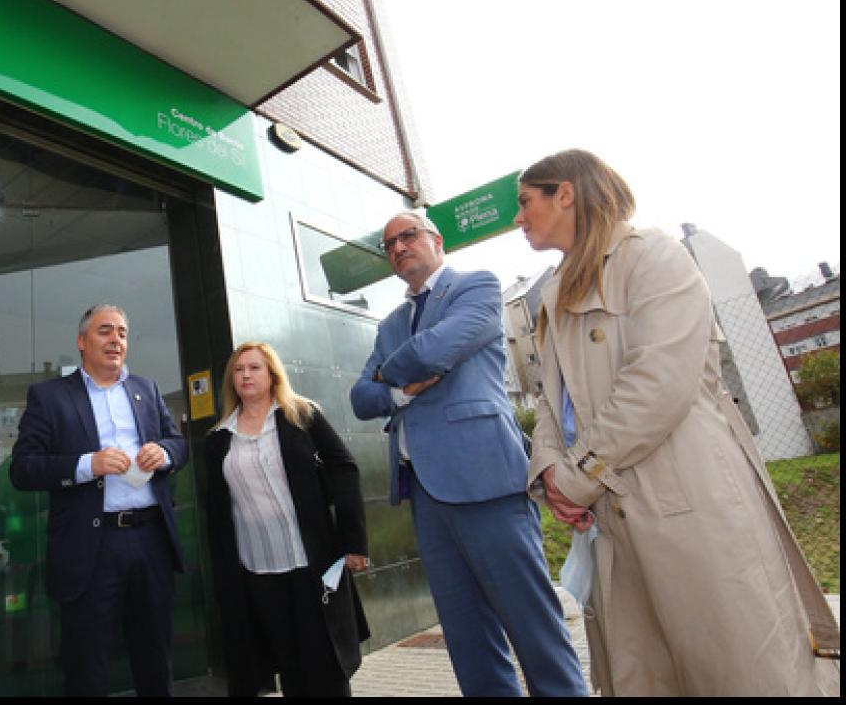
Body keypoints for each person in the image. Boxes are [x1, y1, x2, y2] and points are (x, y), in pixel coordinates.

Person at [515, 148, 840, 696]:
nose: (519, 218)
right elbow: (552, 399)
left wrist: (573, 476)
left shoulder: (654, 257)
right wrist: (548, 467)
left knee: (736, 669)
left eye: (526, 203)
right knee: (646, 672)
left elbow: (657, 385)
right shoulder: (554, 293)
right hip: (613, 518)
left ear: (564, 194)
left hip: (687, 503)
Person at [350, 213, 588, 697]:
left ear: (436, 240)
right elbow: (359, 399)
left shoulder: (475, 286)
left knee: (531, 623)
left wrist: (387, 376)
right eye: (388, 243)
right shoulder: (390, 324)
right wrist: (398, 393)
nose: (398, 246)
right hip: (424, 492)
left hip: (486, 480)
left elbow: (438, 350)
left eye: (407, 236)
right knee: (467, 638)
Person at [9, 304, 188, 697]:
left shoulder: (146, 389)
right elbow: (22, 468)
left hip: (150, 540)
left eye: (122, 333)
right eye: (105, 331)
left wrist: (166, 453)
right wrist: (88, 464)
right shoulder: (50, 397)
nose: (116, 340)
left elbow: (178, 442)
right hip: (91, 546)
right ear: (82, 341)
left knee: (155, 658)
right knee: (87, 665)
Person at [205, 342, 370, 697]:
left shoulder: (301, 416)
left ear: (272, 374)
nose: (246, 375)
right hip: (257, 573)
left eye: (254, 368)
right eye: (238, 369)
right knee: (290, 669)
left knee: (326, 669)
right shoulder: (219, 438)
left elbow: (345, 470)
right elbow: (217, 516)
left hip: (310, 566)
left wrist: (353, 542)